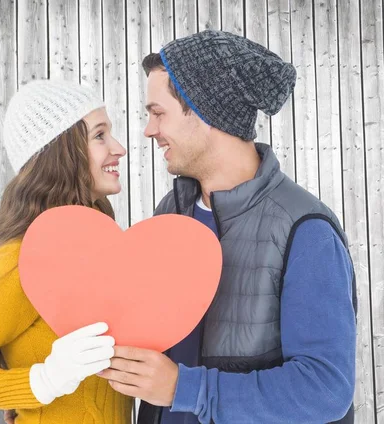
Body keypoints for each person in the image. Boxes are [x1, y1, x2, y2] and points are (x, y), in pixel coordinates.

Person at [97, 30, 357, 424]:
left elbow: (324, 389)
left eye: (158, 112)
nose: (149, 130)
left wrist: (184, 389)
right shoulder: (171, 212)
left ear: (204, 111)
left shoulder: (305, 230)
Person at [0, 79, 133, 423]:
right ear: (62, 152)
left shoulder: (99, 247)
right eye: (99, 135)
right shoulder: (21, 260)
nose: (119, 147)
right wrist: (44, 380)